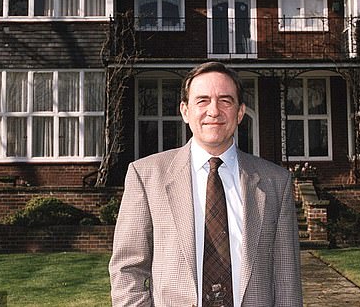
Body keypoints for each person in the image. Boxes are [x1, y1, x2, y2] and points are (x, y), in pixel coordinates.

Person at [109, 61, 302, 306]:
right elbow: (127, 269)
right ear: (185, 111)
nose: (214, 111)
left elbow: (287, 278)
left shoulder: (276, 182)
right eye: (202, 100)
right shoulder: (146, 176)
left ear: (240, 112)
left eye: (225, 100)